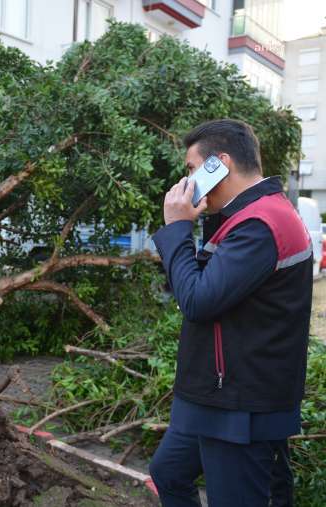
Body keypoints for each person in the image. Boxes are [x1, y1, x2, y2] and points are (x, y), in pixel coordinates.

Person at [148, 119, 311, 507]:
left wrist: (177, 229)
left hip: (239, 404)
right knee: (169, 473)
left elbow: (198, 300)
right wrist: (200, 221)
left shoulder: (261, 224)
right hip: (214, 395)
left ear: (219, 164)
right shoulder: (244, 217)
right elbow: (201, 284)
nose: (187, 181)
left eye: (191, 169)